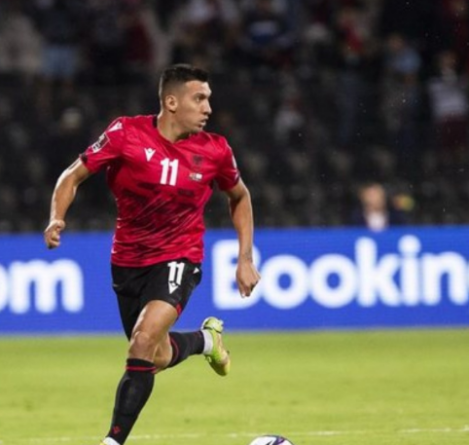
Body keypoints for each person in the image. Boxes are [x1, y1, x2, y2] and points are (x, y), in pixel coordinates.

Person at [43, 64, 261, 445]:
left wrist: (245, 258)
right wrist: (56, 218)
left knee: (142, 341)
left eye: (208, 98)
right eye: (199, 98)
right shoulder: (125, 134)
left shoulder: (216, 150)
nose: (208, 108)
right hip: (127, 261)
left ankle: (112, 442)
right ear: (171, 102)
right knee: (153, 354)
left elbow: (239, 196)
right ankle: (206, 341)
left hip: (180, 256)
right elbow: (73, 175)